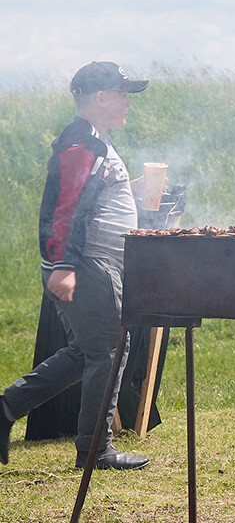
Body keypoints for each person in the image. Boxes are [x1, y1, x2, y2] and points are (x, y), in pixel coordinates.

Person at [0, 61, 151, 470]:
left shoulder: (92, 141)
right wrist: (63, 265)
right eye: (122, 95)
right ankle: (94, 450)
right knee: (109, 351)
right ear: (100, 97)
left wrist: (135, 189)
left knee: (87, 352)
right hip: (90, 265)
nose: (127, 104)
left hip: (94, 264)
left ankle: (6, 408)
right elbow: (64, 209)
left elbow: (92, 195)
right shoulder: (83, 144)